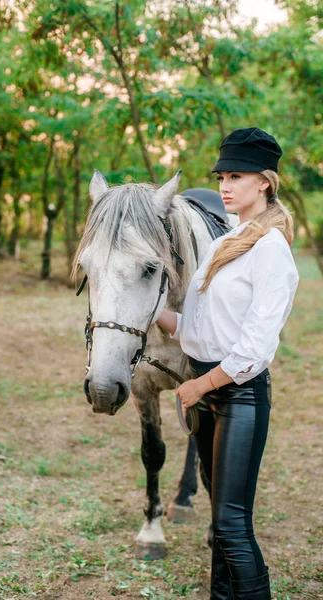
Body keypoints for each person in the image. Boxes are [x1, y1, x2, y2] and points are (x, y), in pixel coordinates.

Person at [156, 127, 299, 600]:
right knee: (219, 525)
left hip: (239, 396)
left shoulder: (271, 251)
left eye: (236, 176)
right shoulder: (227, 243)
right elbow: (198, 327)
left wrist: (200, 387)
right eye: (221, 176)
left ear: (265, 182)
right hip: (207, 389)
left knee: (233, 526)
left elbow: (255, 349)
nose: (224, 185)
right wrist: (153, 315)